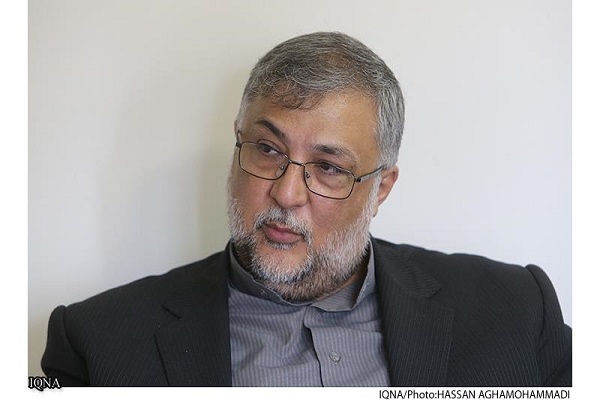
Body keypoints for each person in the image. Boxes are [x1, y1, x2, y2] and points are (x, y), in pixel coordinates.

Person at [41, 31, 571, 387]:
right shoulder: (97, 340)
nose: (287, 193)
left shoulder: (517, 310)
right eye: (267, 150)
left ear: (381, 189)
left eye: (329, 167)